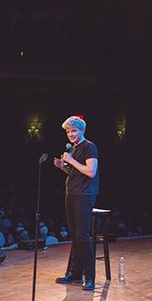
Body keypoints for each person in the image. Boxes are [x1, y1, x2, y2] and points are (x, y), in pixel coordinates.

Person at [54, 115, 100, 290]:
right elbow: (76, 172)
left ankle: (90, 278)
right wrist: (64, 167)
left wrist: (71, 161)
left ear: (82, 130)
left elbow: (91, 172)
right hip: (72, 193)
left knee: (82, 236)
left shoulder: (89, 147)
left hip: (85, 195)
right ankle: (74, 273)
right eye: (68, 131)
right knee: (74, 236)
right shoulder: (73, 149)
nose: (70, 134)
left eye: (74, 130)